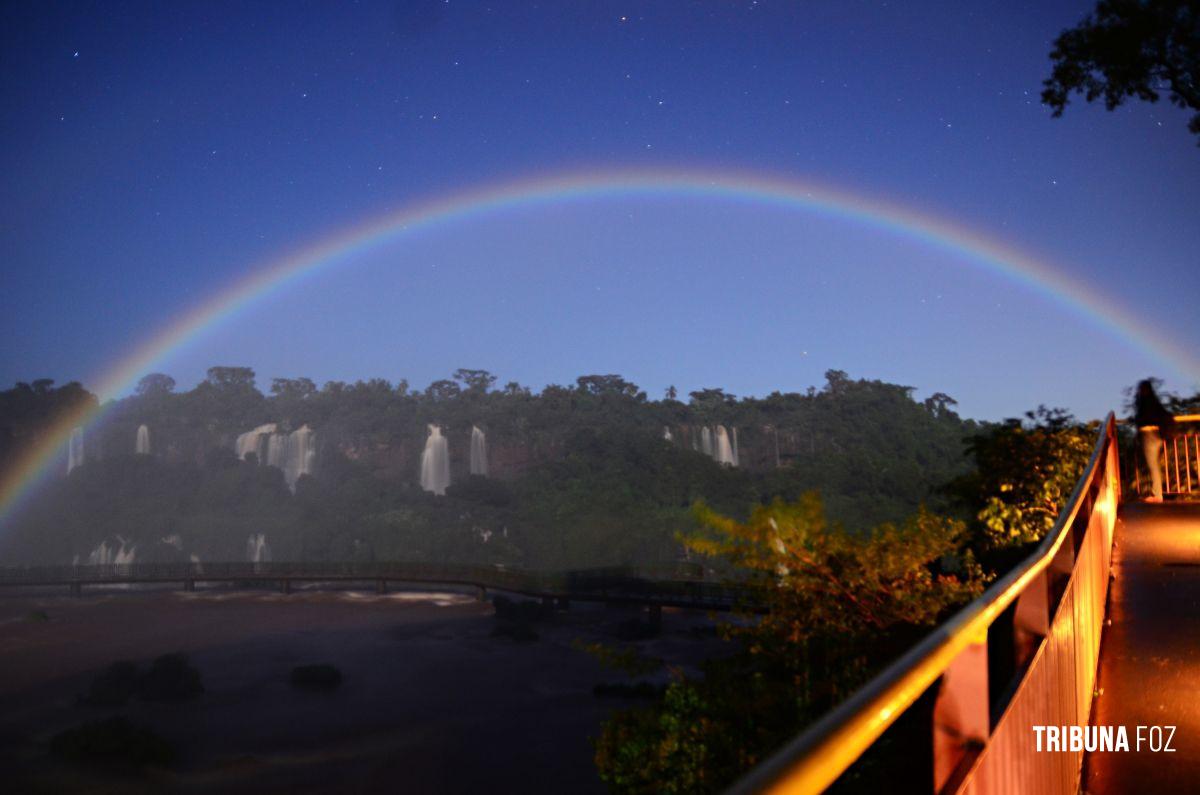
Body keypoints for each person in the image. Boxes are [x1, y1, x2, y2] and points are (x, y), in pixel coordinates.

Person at [1133, 379, 1175, 502]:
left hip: (1148, 435)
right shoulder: (1154, 402)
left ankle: (1157, 495)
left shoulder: (1144, 403)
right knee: (1154, 465)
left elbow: (1141, 419)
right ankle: (1156, 493)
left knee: (1153, 465)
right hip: (1156, 435)